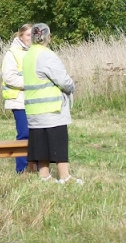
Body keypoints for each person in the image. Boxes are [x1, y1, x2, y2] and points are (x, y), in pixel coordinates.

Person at [22, 23, 82, 184]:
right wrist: (71, 87)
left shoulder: (28, 55)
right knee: (58, 142)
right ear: (48, 37)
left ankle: (45, 175)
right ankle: (65, 176)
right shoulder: (46, 55)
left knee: (41, 143)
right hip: (51, 108)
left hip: (34, 109)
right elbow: (62, 80)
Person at [1, 23, 36, 174]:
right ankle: (21, 168)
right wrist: (31, 84)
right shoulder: (12, 53)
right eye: (28, 35)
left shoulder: (37, 52)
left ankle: (38, 165)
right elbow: (9, 77)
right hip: (18, 100)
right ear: (21, 36)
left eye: (33, 35)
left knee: (38, 133)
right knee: (24, 134)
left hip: (35, 100)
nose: (31, 38)